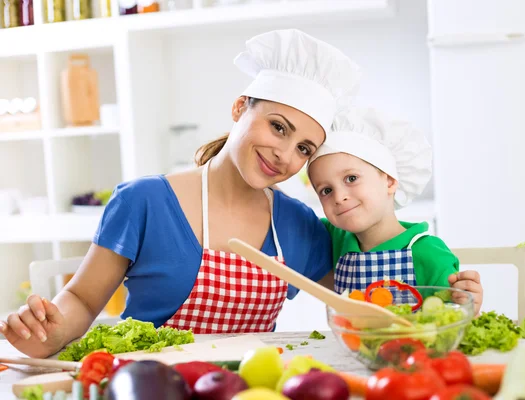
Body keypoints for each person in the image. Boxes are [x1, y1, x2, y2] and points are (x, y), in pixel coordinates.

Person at [0, 29, 362, 358]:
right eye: (278, 127)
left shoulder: (299, 225)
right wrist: (46, 330)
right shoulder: (144, 202)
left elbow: (359, 300)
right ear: (239, 108)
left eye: (304, 149)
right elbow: (81, 298)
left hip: (248, 391)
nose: (284, 154)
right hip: (150, 385)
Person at [307, 108, 483, 314]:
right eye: (326, 190)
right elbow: (286, 211)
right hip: (351, 346)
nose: (339, 197)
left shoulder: (429, 253)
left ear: (389, 181)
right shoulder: (335, 237)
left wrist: (467, 303)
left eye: (351, 178)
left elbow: (452, 321)